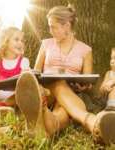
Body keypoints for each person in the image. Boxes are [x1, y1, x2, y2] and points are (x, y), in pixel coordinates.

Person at [15, 6, 115, 144]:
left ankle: (44, 119)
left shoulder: (85, 50)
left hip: (71, 93)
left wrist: (83, 87)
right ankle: (93, 122)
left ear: (67, 26)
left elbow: (87, 82)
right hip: (47, 91)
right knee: (58, 83)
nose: (50, 31)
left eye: (53, 27)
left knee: (62, 113)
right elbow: (35, 73)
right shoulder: (46, 45)